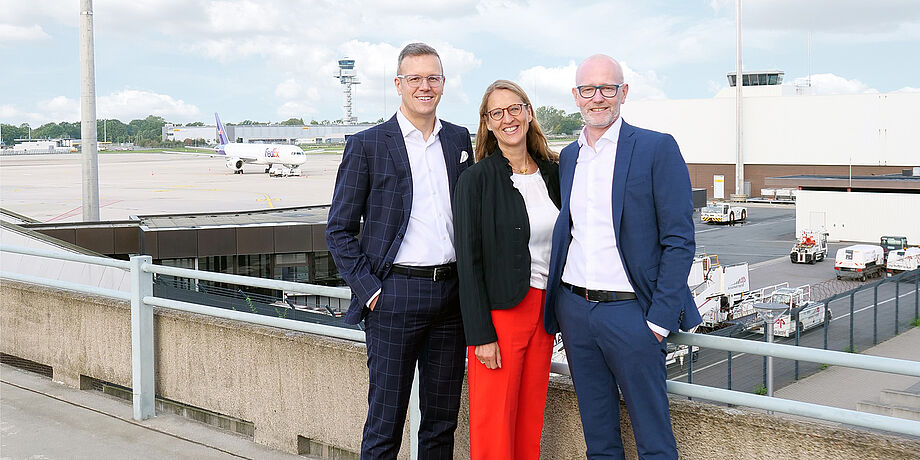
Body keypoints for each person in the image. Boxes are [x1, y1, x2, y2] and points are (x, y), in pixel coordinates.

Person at [544, 54, 702, 460]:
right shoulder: (569, 157)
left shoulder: (656, 148)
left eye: (607, 88)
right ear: (575, 96)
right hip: (575, 312)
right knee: (598, 441)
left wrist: (658, 321)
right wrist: (563, 311)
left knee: (654, 443)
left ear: (624, 92)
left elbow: (679, 239)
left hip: (632, 315)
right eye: (588, 89)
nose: (598, 97)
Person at [325, 42, 474, 459]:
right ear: (398, 84)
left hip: (451, 298)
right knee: (385, 424)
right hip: (394, 296)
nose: (425, 86)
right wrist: (372, 291)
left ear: (443, 83)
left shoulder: (458, 139)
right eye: (415, 79)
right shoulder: (368, 144)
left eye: (433, 78)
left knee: (441, 424)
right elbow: (338, 229)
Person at [453, 80, 560, 459]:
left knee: (529, 420)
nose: (507, 118)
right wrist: (480, 334)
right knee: (494, 422)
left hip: (545, 313)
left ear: (529, 113)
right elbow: (468, 263)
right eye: (496, 112)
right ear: (487, 123)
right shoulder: (476, 180)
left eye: (515, 108)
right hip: (500, 316)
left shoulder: (554, 173)